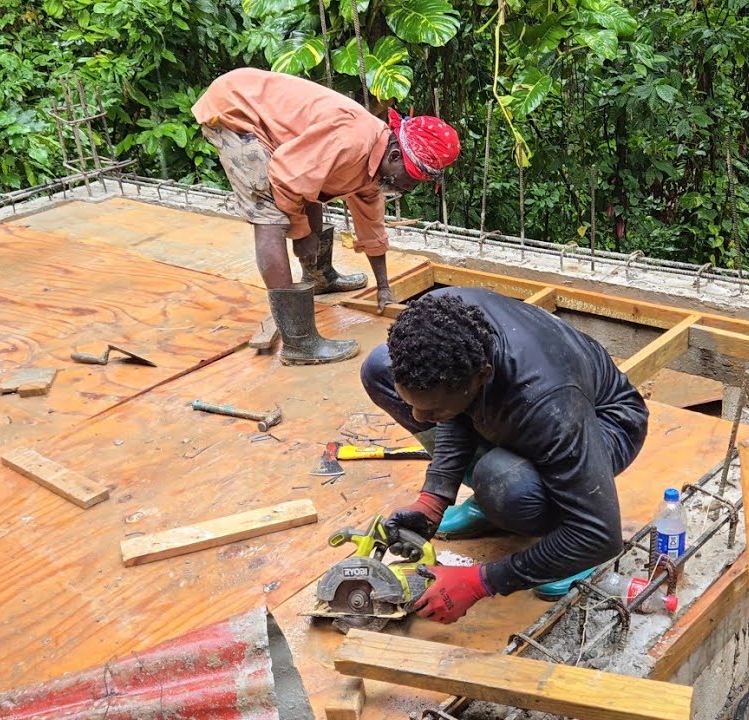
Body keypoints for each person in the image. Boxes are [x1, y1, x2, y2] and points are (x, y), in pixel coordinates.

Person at [359, 288, 650, 623]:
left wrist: (481, 581)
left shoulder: (547, 405)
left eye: (432, 409)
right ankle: (491, 506)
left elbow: (601, 535)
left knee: (502, 481)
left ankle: (562, 541)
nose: (418, 417)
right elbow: (458, 408)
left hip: (602, 424)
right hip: (516, 403)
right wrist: (434, 497)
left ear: (481, 376)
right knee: (378, 368)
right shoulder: (436, 323)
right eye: (411, 403)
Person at [192, 68, 461, 365]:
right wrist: (301, 234)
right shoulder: (352, 143)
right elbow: (285, 177)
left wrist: (384, 288)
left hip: (268, 122)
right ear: (395, 156)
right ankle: (299, 343)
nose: (409, 187)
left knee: (311, 183)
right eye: (412, 177)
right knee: (271, 215)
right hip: (238, 112)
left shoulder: (376, 166)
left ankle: (318, 278)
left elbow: (370, 223)